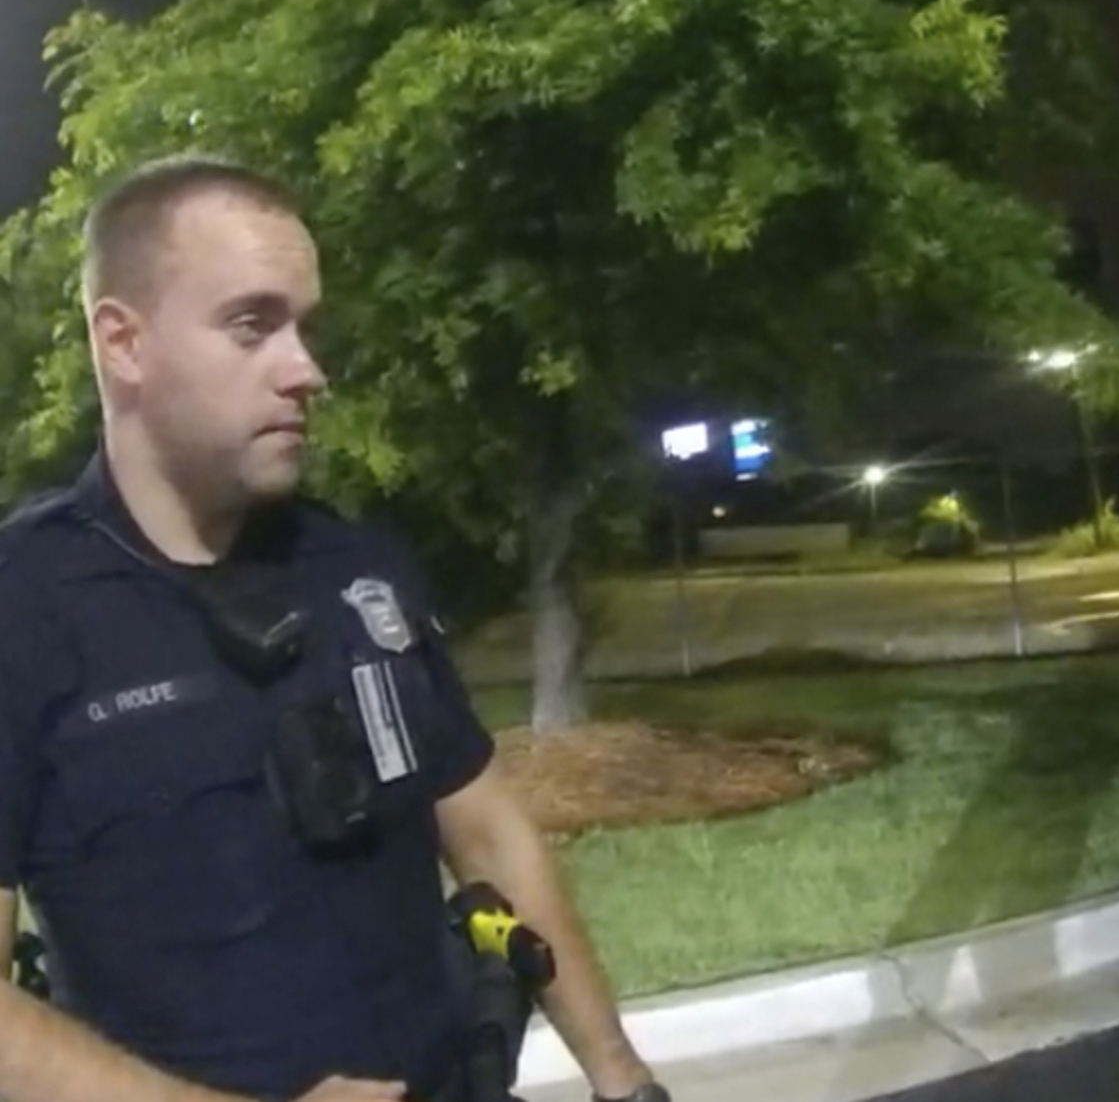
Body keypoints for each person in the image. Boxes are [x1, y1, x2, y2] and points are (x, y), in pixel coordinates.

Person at [0, 157, 666, 1102]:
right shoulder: (24, 607)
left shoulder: (359, 568)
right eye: (251, 325)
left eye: (306, 328)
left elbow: (489, 835)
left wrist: (623, 1080)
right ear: (123, 343)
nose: (306, 370)